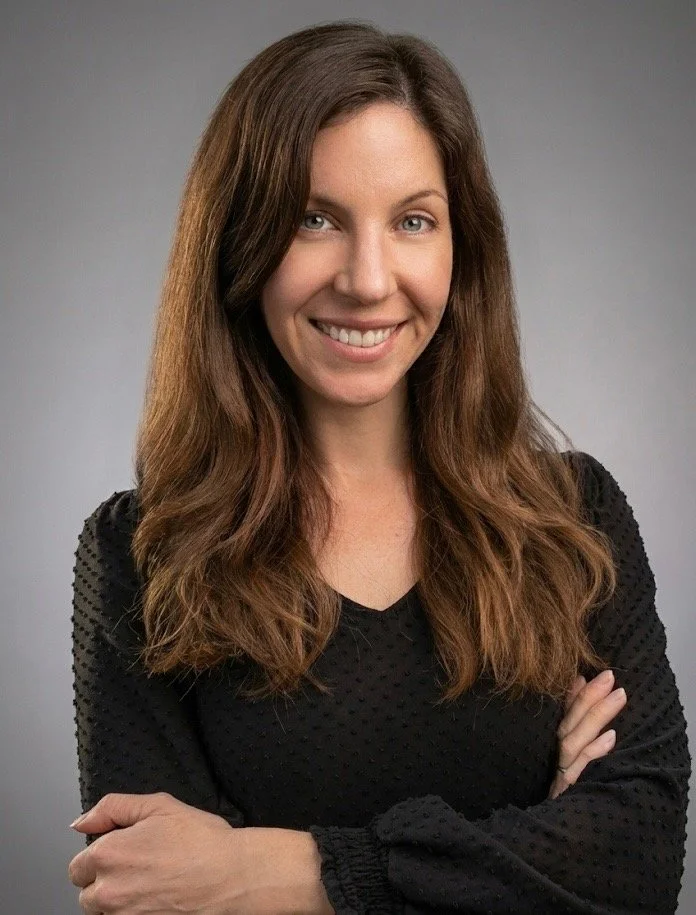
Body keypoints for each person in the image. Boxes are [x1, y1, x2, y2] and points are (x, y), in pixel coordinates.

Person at [67, 19, 690, 915]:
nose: (367, 279)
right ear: (239, 243)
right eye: (314, 218)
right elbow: (153, 896)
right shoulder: (141, 552)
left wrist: (272, 869)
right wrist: (522, 849)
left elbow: (637, 863)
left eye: (412, 221)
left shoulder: (573, 518)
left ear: (458, 248)